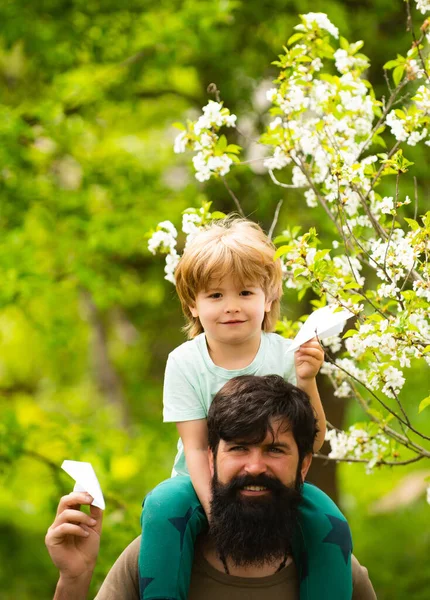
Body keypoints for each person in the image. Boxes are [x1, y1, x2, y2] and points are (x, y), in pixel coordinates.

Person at [139, 217, 351, 600]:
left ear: (267, 297)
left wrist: (305, 379)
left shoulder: (285, 354)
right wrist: (214, 513)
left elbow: (312, 441)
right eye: (215, 295)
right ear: (192, 303)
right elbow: (196, 447)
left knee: (325, 517)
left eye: (245, 293)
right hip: (202, 480)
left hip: (274, 481)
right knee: (162, 504)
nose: (232, 307)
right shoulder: (185, 363)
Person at [46, 376, 376, 599]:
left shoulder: (338, 568)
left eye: (275, 450)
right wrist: (74, 579)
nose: (255, 466)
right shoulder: (148, 557)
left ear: (303, 464)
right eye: (238, 448)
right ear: (211, 460)